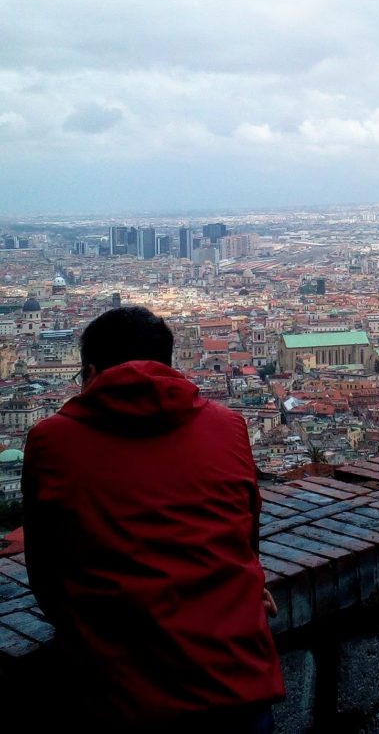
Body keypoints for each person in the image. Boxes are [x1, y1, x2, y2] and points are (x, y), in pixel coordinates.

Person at [22, 306, 284, 732]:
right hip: (238, 687)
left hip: (121, 697)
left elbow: (46, 574)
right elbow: (243, 538)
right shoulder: (229, 426)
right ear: (168, 365)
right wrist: (244, 588)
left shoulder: (52, 440)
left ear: (90, 372)